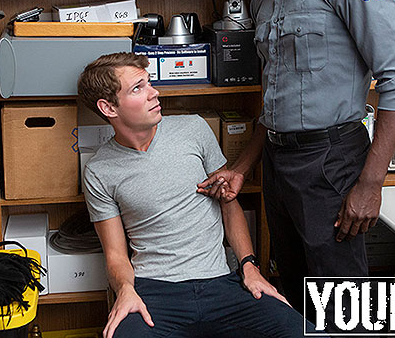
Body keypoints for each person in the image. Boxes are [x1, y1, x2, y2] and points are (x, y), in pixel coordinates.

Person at [199, 0, 395, 317]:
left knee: (342, 304)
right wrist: (243, 167)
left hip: (330, 162)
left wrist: (371, 184)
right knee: (297, 294)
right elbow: (275, 99)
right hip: (279, 165)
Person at [77, 52, 319, 338]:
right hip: (154, 293)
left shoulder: (193, 129)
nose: (154, 93)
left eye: (149, 82)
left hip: (222, 285)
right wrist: (126, 290)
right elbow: (116, 254)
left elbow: (228, 203)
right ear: (108, 107)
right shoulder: (99, 170)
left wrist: (250, 267)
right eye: (138, 88)